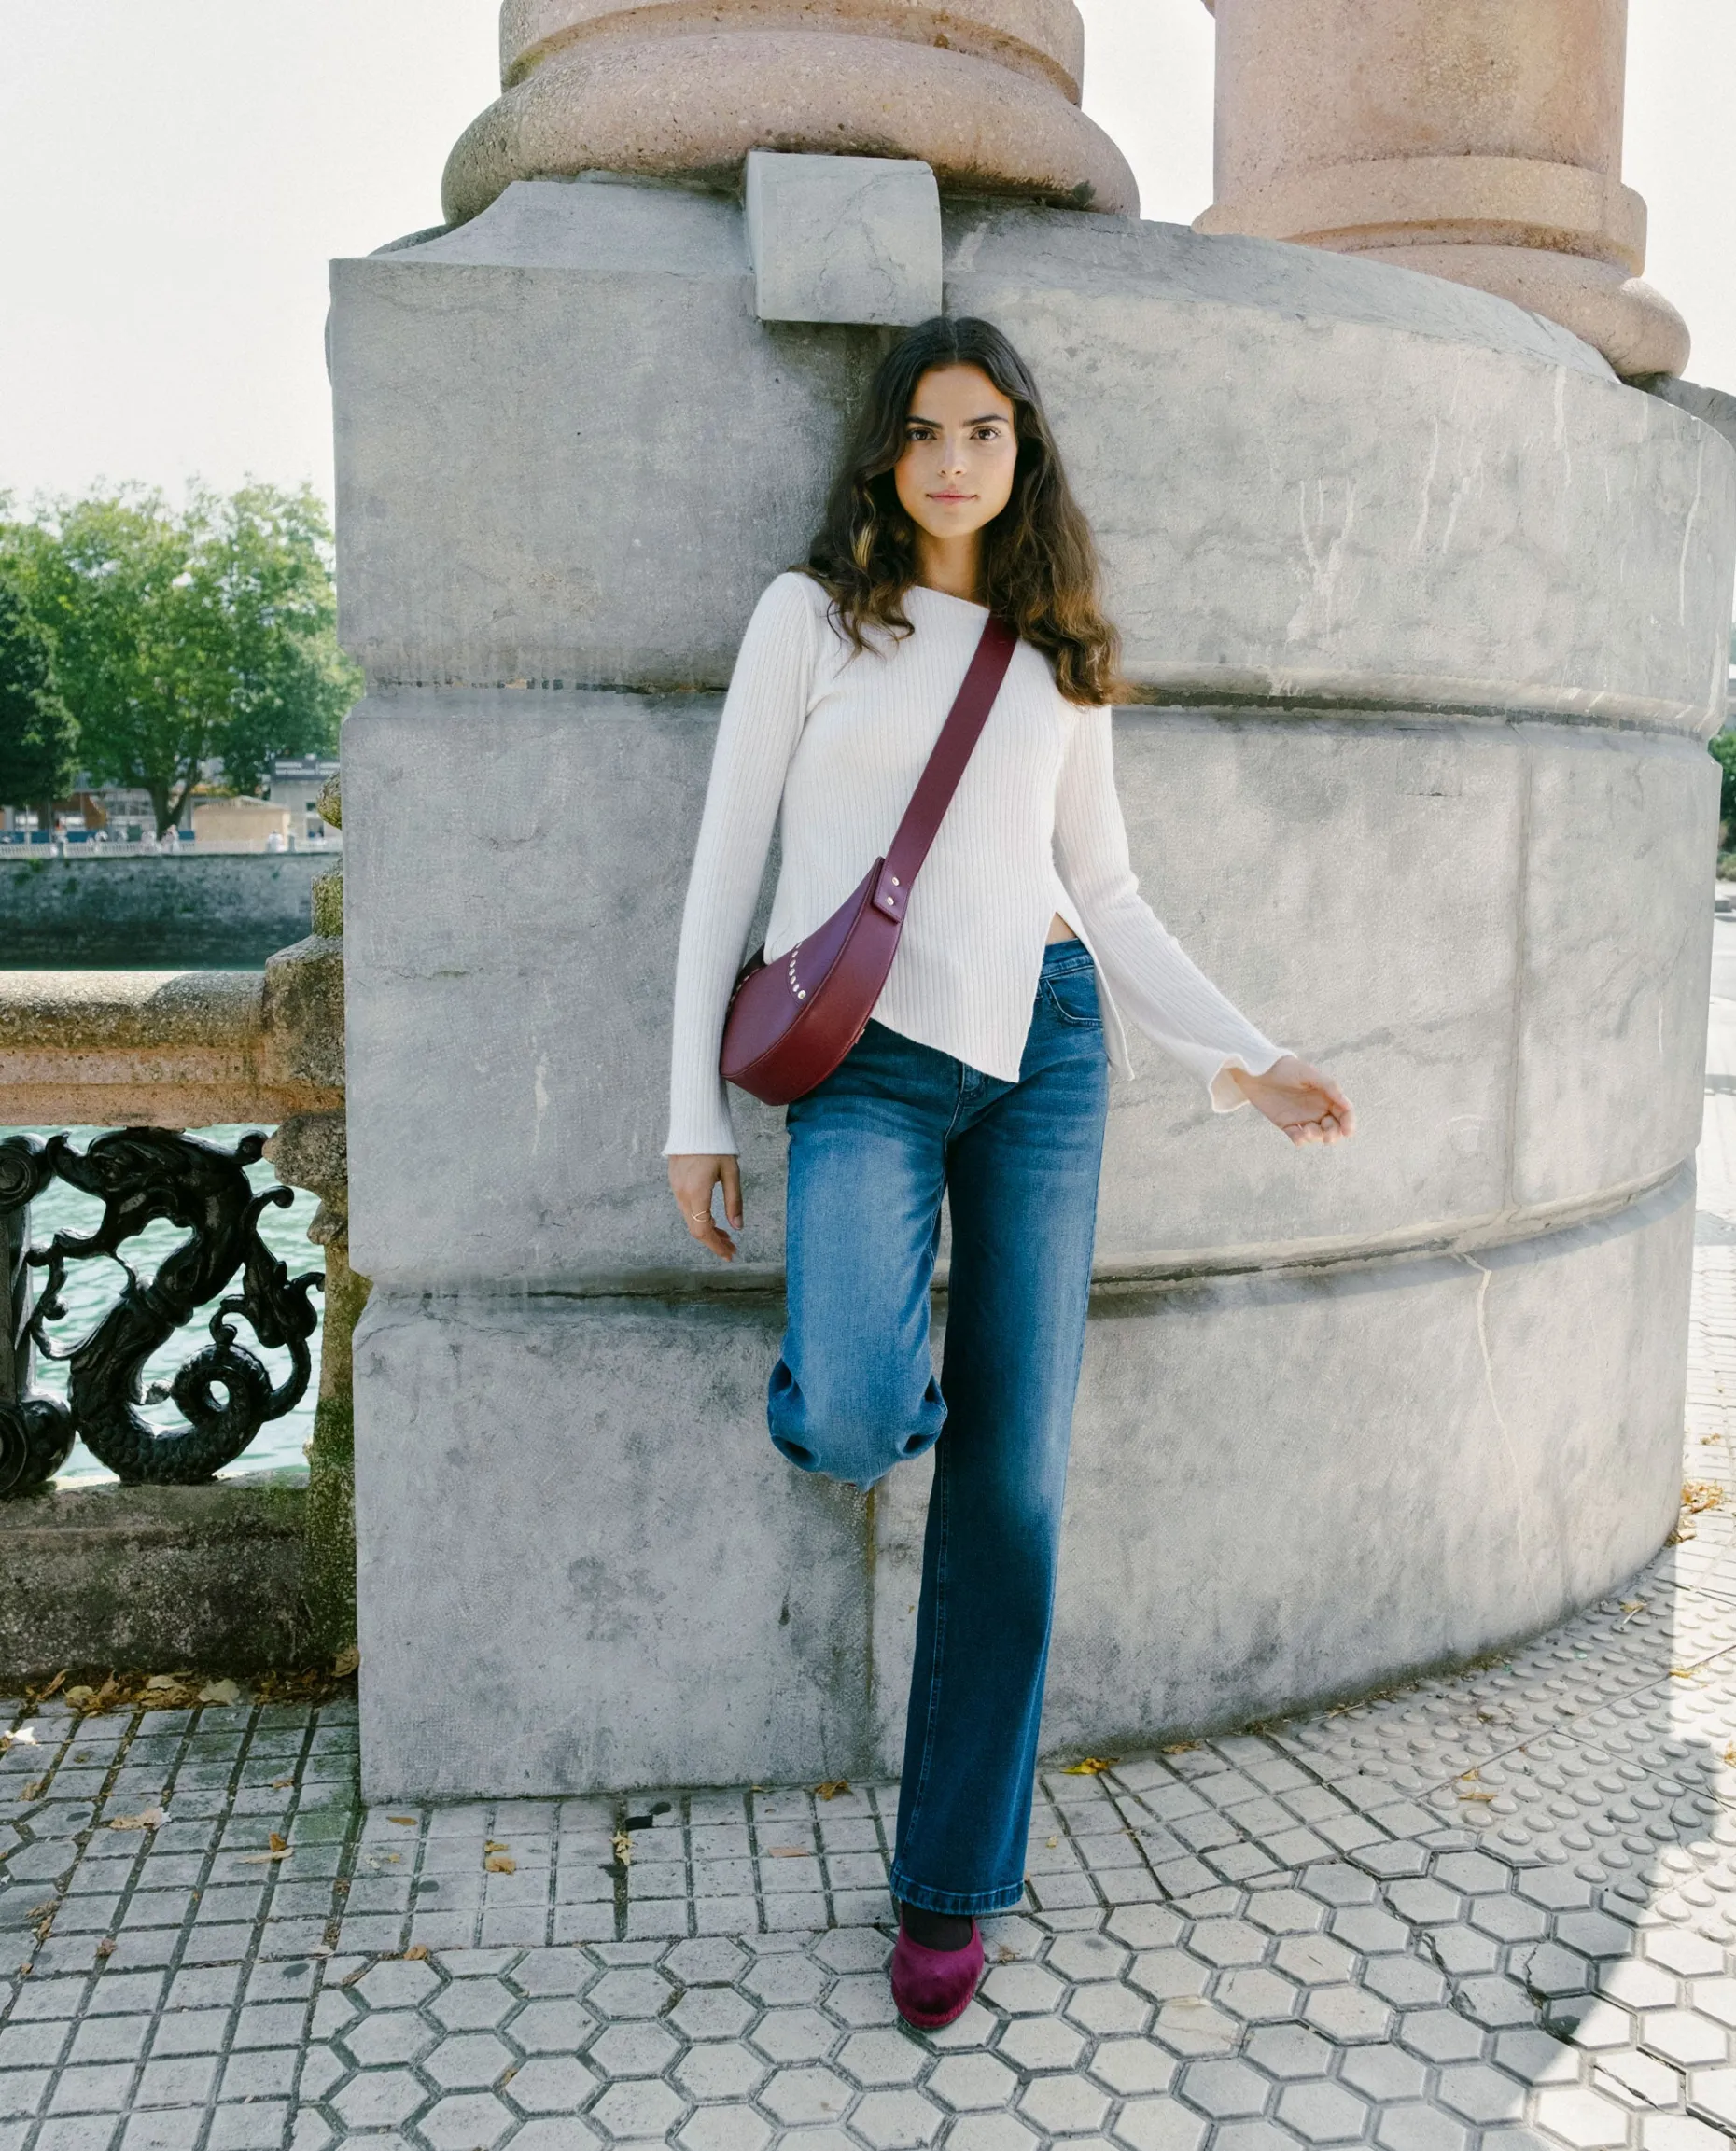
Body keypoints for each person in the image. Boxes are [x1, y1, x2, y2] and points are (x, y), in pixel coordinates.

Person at [664, 315, 1354, 2029]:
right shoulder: (812, 618)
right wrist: (692, 1113)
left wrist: (1245, 1056)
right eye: (923, 432)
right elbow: (724, 866)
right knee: (851, 1415)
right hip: (867, 1066)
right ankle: (881, 1374)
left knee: (1014, 1497)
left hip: (1046, 1056)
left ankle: (949, 1889)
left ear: (1023, 449)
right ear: (884, 453)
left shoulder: (1056, 652)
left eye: (982, 430)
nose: (952, 461)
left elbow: (1106, 896)